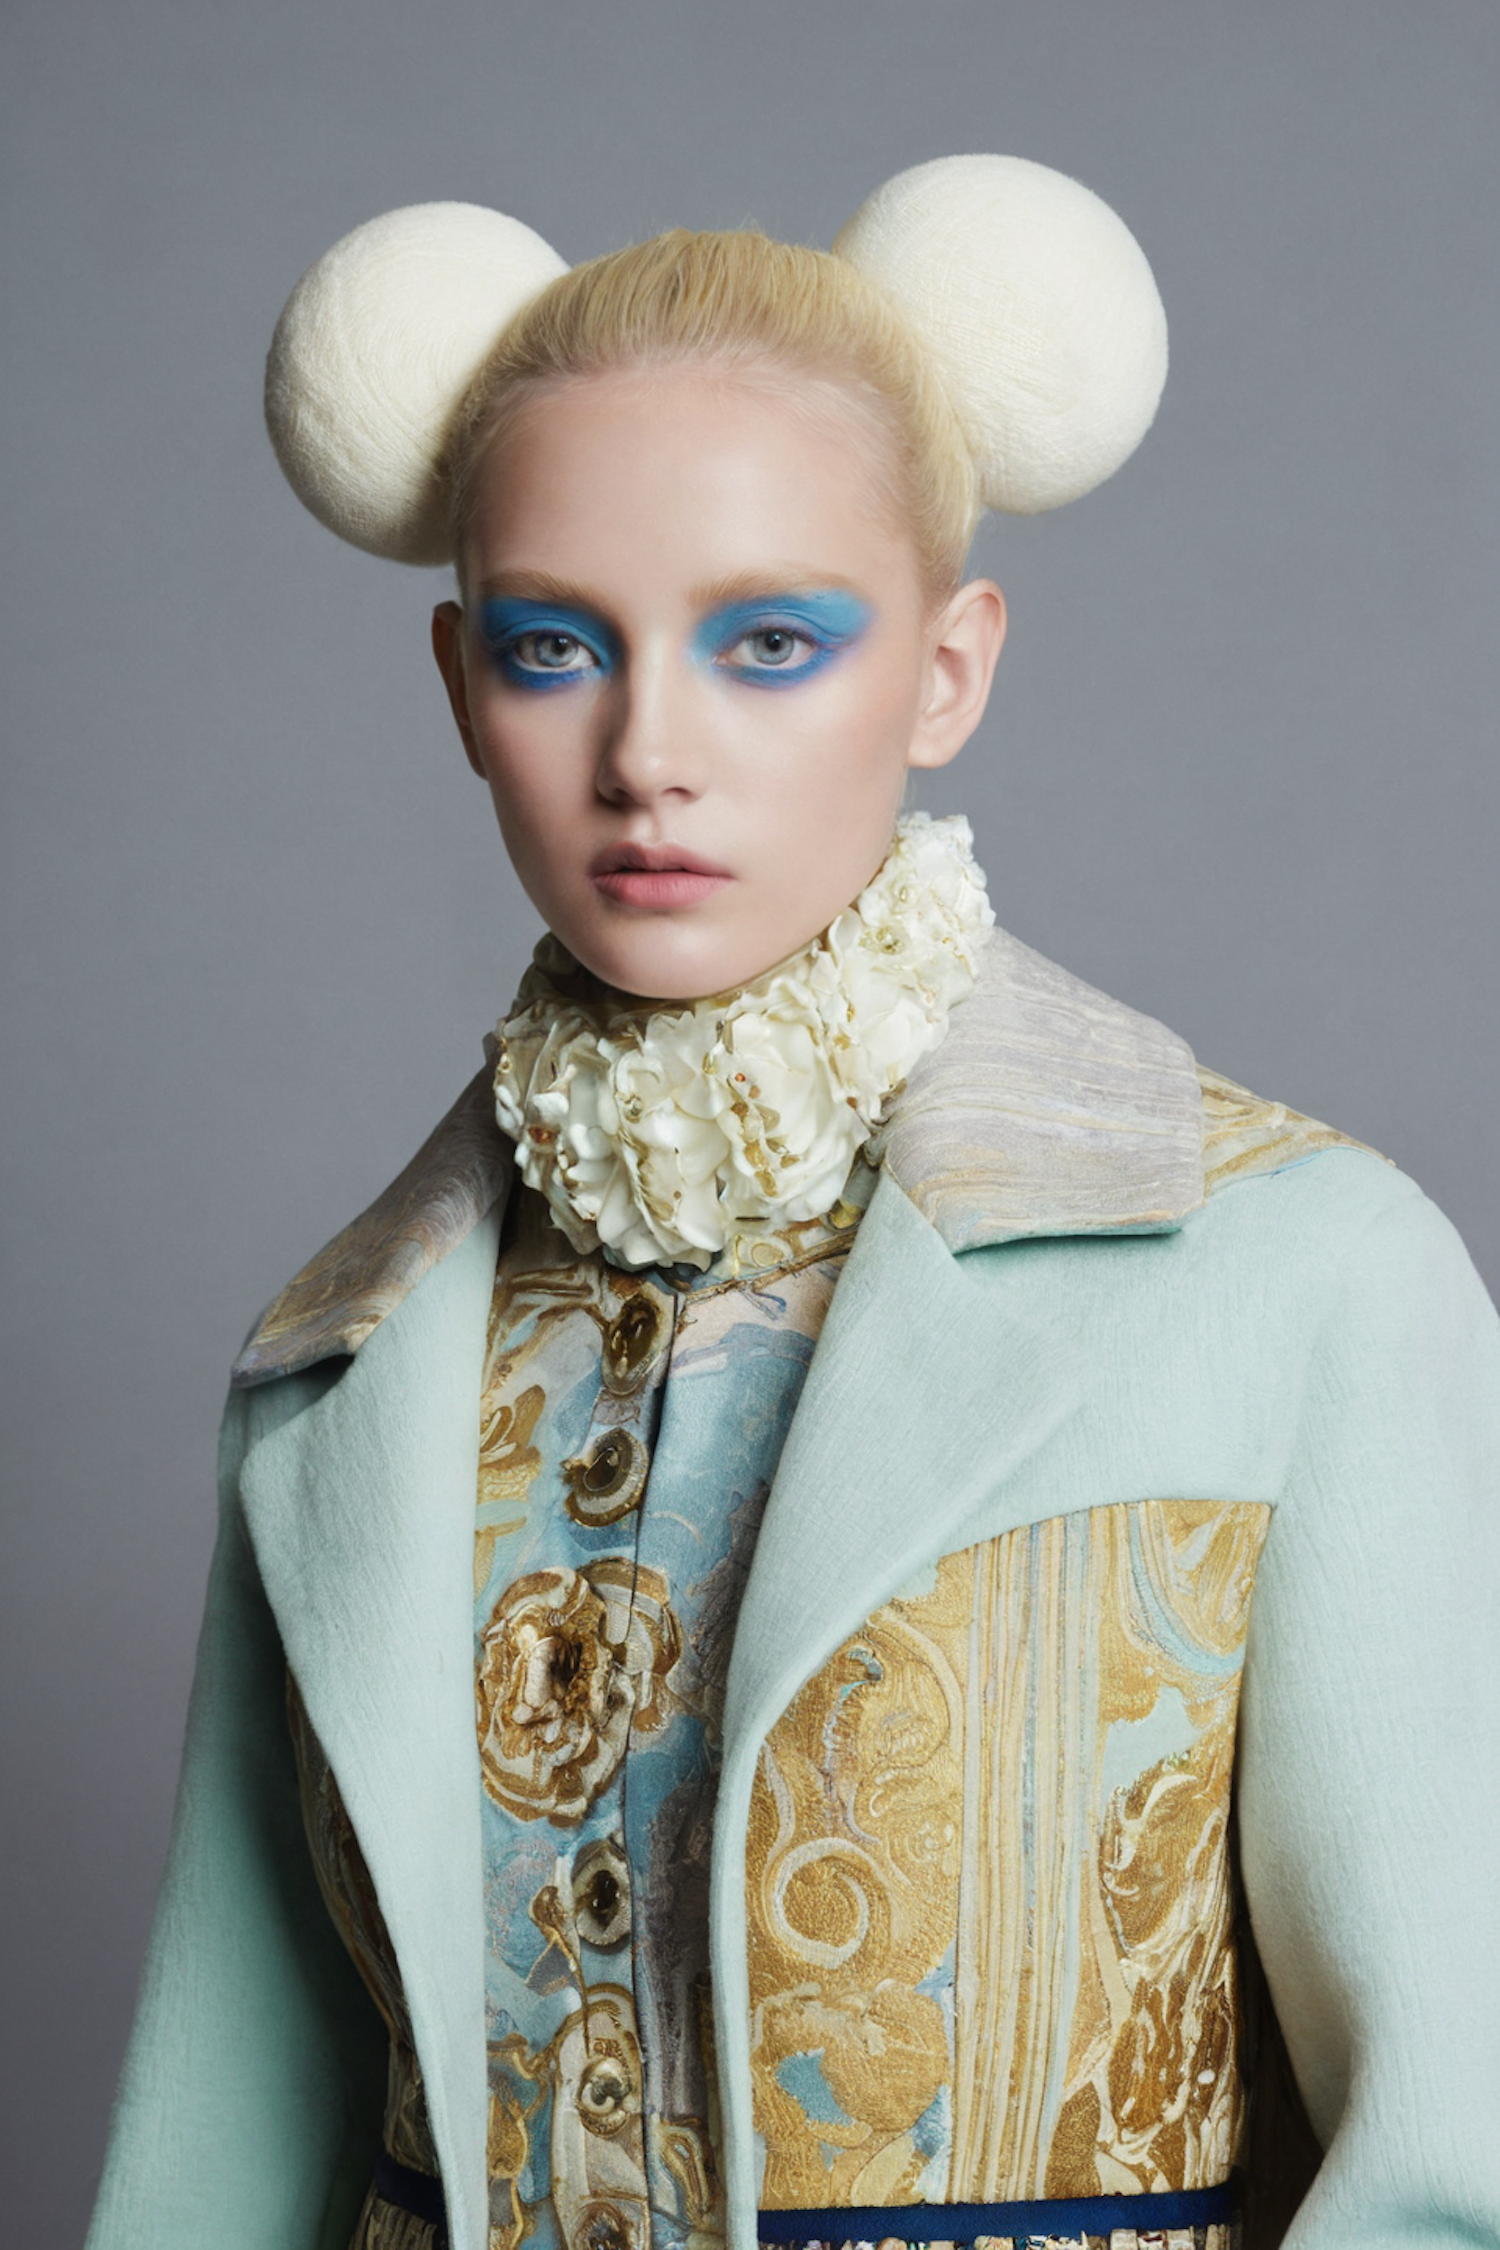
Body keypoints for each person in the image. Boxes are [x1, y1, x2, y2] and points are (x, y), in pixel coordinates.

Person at [85, 158, 1500, 2250]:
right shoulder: (340, 1361)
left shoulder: (1310, 1277)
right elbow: (216, 2160)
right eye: (557, 646)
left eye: (768, 641)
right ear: (460, 684)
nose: (649, 750)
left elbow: (1452, 2158)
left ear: (946, 669)